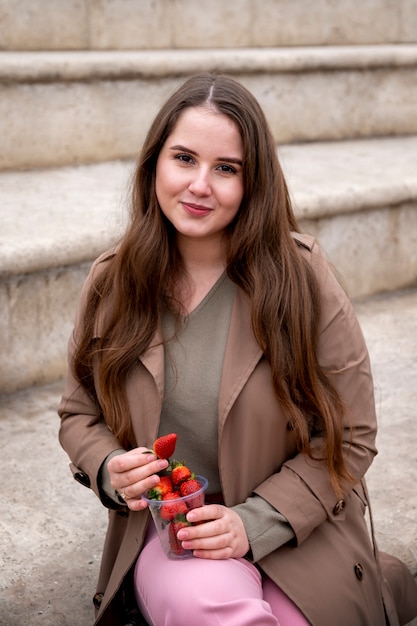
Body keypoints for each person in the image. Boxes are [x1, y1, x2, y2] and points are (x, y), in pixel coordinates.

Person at [58, 73, 417, 626]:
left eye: (226, 168)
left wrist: (255, 521)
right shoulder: (114, 280)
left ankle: (379, 581)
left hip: (296, 523)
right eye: (184, 159)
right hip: (180, 533)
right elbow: (79, 413)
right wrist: (108, 467)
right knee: (215, 612)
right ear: (155, 163)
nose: (200, 185)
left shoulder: (302, 276)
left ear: (253, 184)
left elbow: (351, 433)